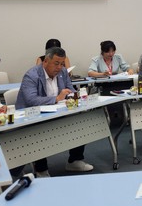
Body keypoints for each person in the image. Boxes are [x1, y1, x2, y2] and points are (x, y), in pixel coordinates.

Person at [16, 47, 94, 176]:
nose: (59, 67)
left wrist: (75, 95)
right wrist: (56, 98)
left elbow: (70, 89)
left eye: (62, 64)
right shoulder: (32, 75)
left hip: (56, 111)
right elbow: (31, 100)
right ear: (46, 61)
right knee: (39, 131)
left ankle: (74, 161)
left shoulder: (62, 72)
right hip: (32, 115)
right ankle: (41, 170)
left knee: (80, 121)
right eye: (56, 63)